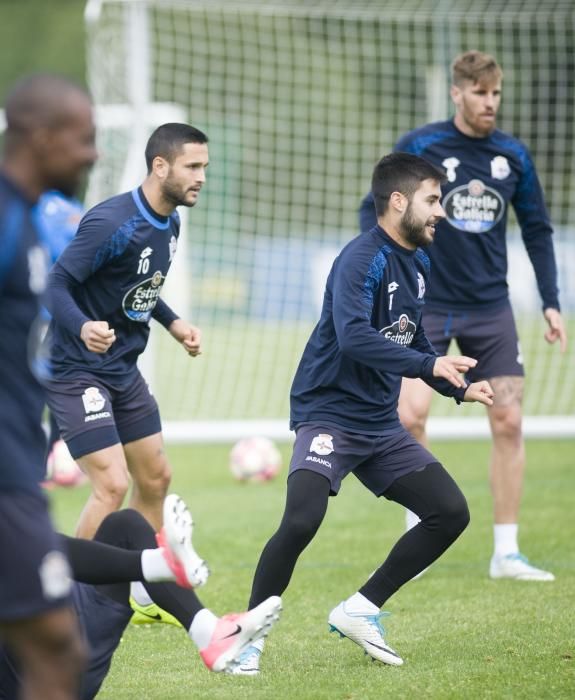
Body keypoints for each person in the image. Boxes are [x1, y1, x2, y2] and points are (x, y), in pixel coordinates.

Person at [240, 152, 495, 672]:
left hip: (380, 422)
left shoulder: (420, 261)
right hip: (328, 412)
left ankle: (361, 608)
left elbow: (411, 334)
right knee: (302, 519)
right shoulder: (361, 259)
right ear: (397, 201)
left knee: (450, 512)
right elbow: (354, 337)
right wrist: (429, 363)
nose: (440, 211)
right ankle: (247, 637)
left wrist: (453, 387)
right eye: (431, 200)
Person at [359, 50, 567, 582]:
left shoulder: (512, 156)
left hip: (490, 307)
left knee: (509, 419)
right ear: (457, 93)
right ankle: (418, 533)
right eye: (479, 93)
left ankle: (506, 552)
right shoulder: (423, 146)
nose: (489, 103)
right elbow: (375, 208)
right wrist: (381, 276)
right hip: (424, 304)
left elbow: (538, 229)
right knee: (409, 416)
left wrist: (550, 300)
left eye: (495, 94)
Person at [43, 122, 208, 539]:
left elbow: (138, 286)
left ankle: (137, 589)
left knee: (156, 479)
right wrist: (82, 327)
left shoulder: (169, 224)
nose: (201, 178)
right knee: (112, 485)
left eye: (204, 167)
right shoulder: (112, 222)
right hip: (75, 369)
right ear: (160, 166)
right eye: (192, 167)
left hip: (122, 370)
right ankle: (77, 598)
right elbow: (55, 283)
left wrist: (173, 323)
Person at [0, 73, 98, 699]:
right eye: (83, 140)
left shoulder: (34, 221)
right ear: (40, 137)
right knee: (57, 647)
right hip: (3, 479)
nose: (92, 154)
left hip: (17, 460)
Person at [0, 493, 283, 698]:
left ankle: (207, 631)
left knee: (125, 525)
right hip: (37, 672)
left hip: (68, 633)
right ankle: (159, 568)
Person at [36, 190, 86, 485]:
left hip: (58, 316)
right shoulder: (44, 206)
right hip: (40, 314)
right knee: (39, 389)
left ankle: (53, 461)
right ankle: (41, 465)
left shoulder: (71, 206)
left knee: (57, 385)